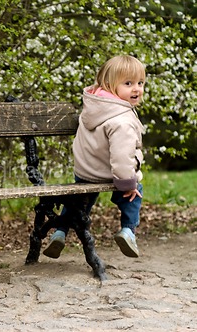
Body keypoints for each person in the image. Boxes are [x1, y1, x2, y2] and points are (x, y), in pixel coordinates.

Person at [43, 55, 145, 259]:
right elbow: (122, 157)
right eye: (128, 83)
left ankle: (60, 233)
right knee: (134, 193)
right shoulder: (121, 120)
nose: (137, 89)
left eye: (140, 83)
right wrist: (128, 183)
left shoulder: (94, 107)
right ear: (109, 84)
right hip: (109, 173)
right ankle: (128, 231)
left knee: (77, 203)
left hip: (84, 171)